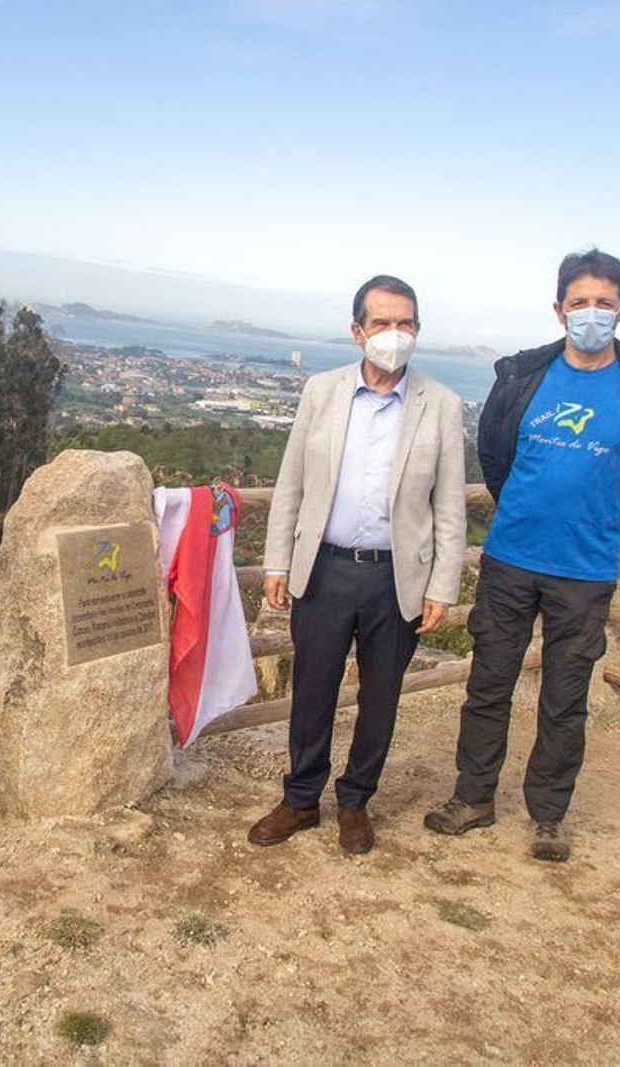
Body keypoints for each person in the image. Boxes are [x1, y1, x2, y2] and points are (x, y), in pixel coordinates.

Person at [424, 249, 620, 861]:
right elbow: (494, 453)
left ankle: (549, 814)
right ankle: (473, 797)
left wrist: (615, 523)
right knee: (489, 684)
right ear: (558, 309)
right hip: (512, 557)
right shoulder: (523, 377)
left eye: (603, 303)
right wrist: (521, 505)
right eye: (579, 303)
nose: (590, 314)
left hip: (586, 570)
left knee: (565, 699)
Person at [252, 275, 467, 855]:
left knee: (380, 698)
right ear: (357, 331)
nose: (394, 335)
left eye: (406, 323)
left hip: (396, 577)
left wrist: (442, 587)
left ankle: (355, 802)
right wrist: (277, 562)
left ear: (417, 330)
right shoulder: (321, 392)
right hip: (322, 568)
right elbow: (291, 483)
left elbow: (449, 508)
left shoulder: (441, 406)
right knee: (312, 690)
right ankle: (300, 800)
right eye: (381, 323)